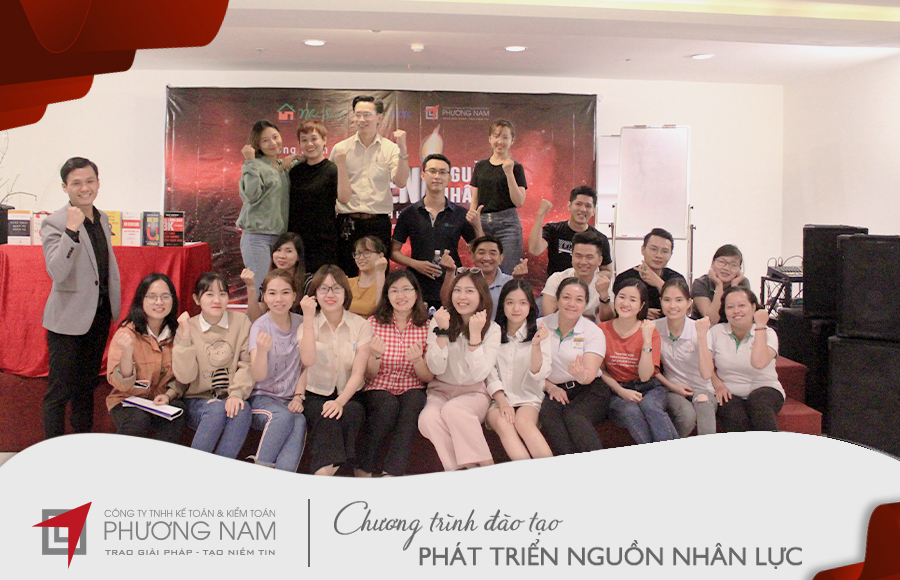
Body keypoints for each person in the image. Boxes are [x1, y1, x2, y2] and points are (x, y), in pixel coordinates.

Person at [42, 157, 121, 439]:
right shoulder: (55, 222)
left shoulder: (102, 219)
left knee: (86, 387)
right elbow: (56, 271)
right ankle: (52, 448)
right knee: (59, 390)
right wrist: (71, 230)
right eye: (76, 183)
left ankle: (80, 444)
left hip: (98, 316)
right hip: (67, 320)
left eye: (90, 181)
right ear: (65, 187)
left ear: (98, 183)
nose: (84, 188)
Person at [420, 270, 501, 471]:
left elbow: (480, 374)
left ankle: (485, 467)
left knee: (454, 410)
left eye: (469, 291)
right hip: (440, 391)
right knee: (428, 420)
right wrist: (443, 332)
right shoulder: (438, 321)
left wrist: (475, 336)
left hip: (474, 392)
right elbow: (436, 368)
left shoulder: (492, 329)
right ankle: (460, 470)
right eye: (457, 290)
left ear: (481, 295)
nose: (462, 297)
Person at [357, 271, 433, 477]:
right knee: (387, 407)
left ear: (416, 294)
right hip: (378, 386)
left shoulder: (426, 326)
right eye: (394, 291)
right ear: (387, 295)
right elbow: (368, 375)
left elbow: (428, 378)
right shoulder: (373, 324)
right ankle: (363, 467)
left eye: (406, 289)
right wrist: (376, 356)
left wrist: (417, 361)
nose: (401, 296)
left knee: (413, 404)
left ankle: (391, 472)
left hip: (412, 386)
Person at [298, 265, 372, 475]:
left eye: (336, 288)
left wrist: (340, 401)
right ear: (314, 293)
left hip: (350, 394)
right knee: (327, 417)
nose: (330, 294)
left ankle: (322, 476)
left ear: (345, 292)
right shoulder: (306, 324)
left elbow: (358, 373)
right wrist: (308, 318)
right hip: (315, 394)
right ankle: (325, 475)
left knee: (351, 413)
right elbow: (307, 360)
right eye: (323, 289)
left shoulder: (361, 325)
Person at [172, 273, 253, 458]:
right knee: (216, 409)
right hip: (197, 400)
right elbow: (185, 377)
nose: (217, 300)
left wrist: (236, 393)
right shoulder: (187, 327)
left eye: (222, 294)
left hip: (228, 396)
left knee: (242, 410)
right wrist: (186, 336)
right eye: (209, 294)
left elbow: (247, 364)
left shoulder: (241, 322)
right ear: (196, 299)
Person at [331, 95, 409, 276]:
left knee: (378, 274)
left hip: (377, 223)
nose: (361, 119)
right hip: (347, 221)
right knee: (345, 274)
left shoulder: (390, 149)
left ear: (379, 118)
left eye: (366, 115)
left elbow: (401, 181)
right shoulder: (341, 149)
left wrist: (403, 150)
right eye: (357, 114)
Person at [392, 153, 482, 307]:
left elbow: (479, 250)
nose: (437, 176)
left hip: (452, 285)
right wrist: (416, 264)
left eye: (442, 172)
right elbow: (393, 251)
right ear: (423, 175)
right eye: (432, 171)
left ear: (449, 177)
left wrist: (478, 226)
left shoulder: (460, 213)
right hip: (418, 286)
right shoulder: (409, 213)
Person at [247, 270, 314, 472]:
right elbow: (257, 376)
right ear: (265, 297)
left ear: (294, 296)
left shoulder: (301, 323)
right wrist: (262, 352)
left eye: (285, 292)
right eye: (272, 293)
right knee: (283, 416)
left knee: (299, 420)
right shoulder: (259, 327)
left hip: (289, 399)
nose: (279, 299)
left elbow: (307, 364)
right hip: (261, 398)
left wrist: (298, 396)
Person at [106, 273, 184, 443]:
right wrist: (127, 354)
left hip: (162, 398)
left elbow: (184, 376)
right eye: (152, 297)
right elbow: (121, 385)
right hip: (128, 399)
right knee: (138, 420)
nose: (159, 302)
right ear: (141, 300)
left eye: (165, 296)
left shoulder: (178, 333)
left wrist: (169, 395)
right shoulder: (127, 333)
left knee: (178, 414)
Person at [599, 278, 678, 444]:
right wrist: (621, 391)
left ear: (641, 306)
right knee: (631, 412)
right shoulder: (601, 330)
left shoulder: (649, 330)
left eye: (633, 299)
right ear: (614, 299)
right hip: (616, 389)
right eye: (622, 297)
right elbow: (601, 370)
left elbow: (645, 376)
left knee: (651, 406)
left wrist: (647, 341)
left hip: (649, 387)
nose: (626, 303)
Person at [698, 287, 785, 432]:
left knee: (758, 403)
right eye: (730, 307)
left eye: (742, 305)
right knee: (733, 413)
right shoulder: (716, 332)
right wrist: (717, 384)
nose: (736, 311)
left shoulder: (768, 333)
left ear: (753, 307)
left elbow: (759, 363)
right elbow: (707, 368)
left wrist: (760, 326)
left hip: (766, 388)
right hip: (729, 390)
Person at [539, 277, 609, 455]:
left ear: (585, 304)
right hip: (555, 389)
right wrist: (550, 387)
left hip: (590, 388)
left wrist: (580, 374)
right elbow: (529, 366)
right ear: (557, 299)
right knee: (548, 415)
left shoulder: (593, 331)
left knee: (575, 416)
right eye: (566, 297)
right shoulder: (541, 326)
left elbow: (589, 375)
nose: (572, 304)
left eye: (579, 300)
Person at [486, 280, 553, 461]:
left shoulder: (540, 331)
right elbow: (490, 374)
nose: (516, 308)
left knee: (524, 423)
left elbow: (540, 373)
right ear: (502, 305)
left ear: (530, 306)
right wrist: (503, 403)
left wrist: (536, 345)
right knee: (504, 423)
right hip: (499, 399)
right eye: (510, 302)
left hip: (529, 397)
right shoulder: (492, 333)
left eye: (523, 303)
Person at [654, 278, 716, 437]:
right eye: (667, 300)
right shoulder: (655, 327)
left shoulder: (699, 328)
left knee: (703, 401)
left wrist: (701, 336)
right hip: (672, 389)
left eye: (679, 300)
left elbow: (706, 374)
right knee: (687, 416)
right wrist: (672, 387)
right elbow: (651, 369)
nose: (672, 306)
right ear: (661, 301)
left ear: (689, 303)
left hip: (702, 388)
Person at [237, 120, 290, 293]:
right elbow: (251, 195)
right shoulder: (255, 165)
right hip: (257, 237)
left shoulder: (281, 166)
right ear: (257, 144)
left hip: (278, 239)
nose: (273, 143)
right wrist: (249, 161)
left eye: (275, 137)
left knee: (276, 291)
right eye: (265, 140)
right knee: (262, 290)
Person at [288, 120, 347, 274]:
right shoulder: (295, 171)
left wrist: (342, 166)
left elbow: (344, 198)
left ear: (324, 140)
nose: (309, 144)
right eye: (304, 140)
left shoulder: (332, 170)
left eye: (314, 138)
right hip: (296, 242)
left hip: (323, 243)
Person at [471, 119, 528, 274]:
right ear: (490, 139)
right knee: (483, 272)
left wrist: (509, 173)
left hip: (507, 225)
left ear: (512, 141)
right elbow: (474, 199)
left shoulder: (516, 167)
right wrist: (473, 220)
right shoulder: (480, 166)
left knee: (507, 272)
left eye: (505, 137)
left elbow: (519, 201)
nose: (500, 141)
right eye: (496, 136)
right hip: (483, 223)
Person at [528, 185, 613, 277]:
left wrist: (586, 279)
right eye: (578, 204)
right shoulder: (553, 230)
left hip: (585, 285)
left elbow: (608, 271)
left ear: (593, 211)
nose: (583, 209)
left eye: (588, 206)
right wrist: (540, 214)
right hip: (557, 284)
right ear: (569, 206)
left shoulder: (600, 239)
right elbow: (534, 250)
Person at [440, 235, 528, 320]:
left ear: (501, 258)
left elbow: (519, 311)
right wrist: (450, 272)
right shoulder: (462, 280)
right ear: (472, 256)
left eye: (492, 253)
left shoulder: (509, 282)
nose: (487, 258)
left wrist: (518, 281)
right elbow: (447, 304)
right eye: (481, 253)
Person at [613, 227, 685, 320]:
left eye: (665, 251)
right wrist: (641, 312)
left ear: (671, 254)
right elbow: (616, 310)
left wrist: (659, 283)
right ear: (643, 249)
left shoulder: (677, 279)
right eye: (653, 249)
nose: (659, 255)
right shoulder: (625, 278)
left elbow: (683, 310)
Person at [541, 232, 612, 322]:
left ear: (599, 260)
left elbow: (608, 320)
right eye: (578, 256)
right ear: (572, 257)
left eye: (589, 257)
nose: (583, 262)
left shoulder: (603, 284)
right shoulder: (556, 279)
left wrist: (604, 296)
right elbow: (548, 317)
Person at [241, 232, 306, 322]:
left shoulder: (308, 282)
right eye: (278, 250)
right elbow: (256, 319)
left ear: (298, 256)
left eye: (289, 251)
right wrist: (250, 287)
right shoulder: (268, 281)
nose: (282, 256)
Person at [691, 244, 750, 323]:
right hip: (705, 328)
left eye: (733, 265)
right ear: (712, 263)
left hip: (733, 328)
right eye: (722, 262)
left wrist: (734, 287)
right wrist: (718, 285)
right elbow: (712, 320)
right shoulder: (701, 283)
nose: (726, 268)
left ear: (739, 269)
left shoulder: (742, 283)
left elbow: (742, 317)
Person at [348, 236, 388, 318]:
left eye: (367, 253)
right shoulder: (347, 283)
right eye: (358, 254)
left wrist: (380, 273)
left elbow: (381, 311)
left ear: (380, 256)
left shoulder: (387, 284)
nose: (361, 258)